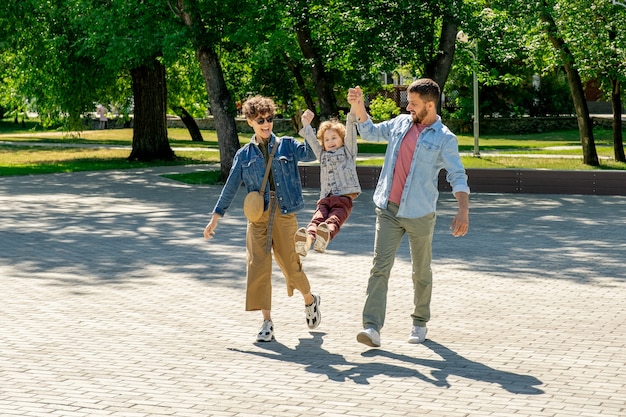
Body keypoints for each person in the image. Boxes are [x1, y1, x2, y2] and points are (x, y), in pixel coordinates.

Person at [347, 78, 470, 348]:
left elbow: (457, 175)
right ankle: (371, 327)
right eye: (408, 102)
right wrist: (359, 106)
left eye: (413, 103)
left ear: (430, 104)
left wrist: (463, 210)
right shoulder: (401, 124)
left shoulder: (444, 138)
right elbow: (369, 132)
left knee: (421, 271)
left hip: (420, 214)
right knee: (379, 268)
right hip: (388, 210)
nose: (408, 107)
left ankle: (419, 321)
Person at [203, 95, 322, 342]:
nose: (266, 124)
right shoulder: (244, 154)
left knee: (291, 265)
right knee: (257, 266)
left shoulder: (287, 145)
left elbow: (313, 152)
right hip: (257, 216)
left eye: (269, 119)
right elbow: (231, 186)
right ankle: (267, 322)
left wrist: (308, 127)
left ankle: (310, 299)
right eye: (261, 120)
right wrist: (216, 217)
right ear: (250, 121)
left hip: (284, 211)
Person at [294, 109, 361, 256]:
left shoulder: (348, 152)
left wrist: (352, 114)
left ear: (342, 139)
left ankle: (324, 237)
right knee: (316, 220)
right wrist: (305, 123)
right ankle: (307, 240)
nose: (330, 142)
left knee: (333, 220)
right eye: (326, 139)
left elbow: (351, 132)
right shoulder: (322, 155)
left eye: (334, 138)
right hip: (324, 198)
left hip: (343, 198)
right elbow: (312, 140)